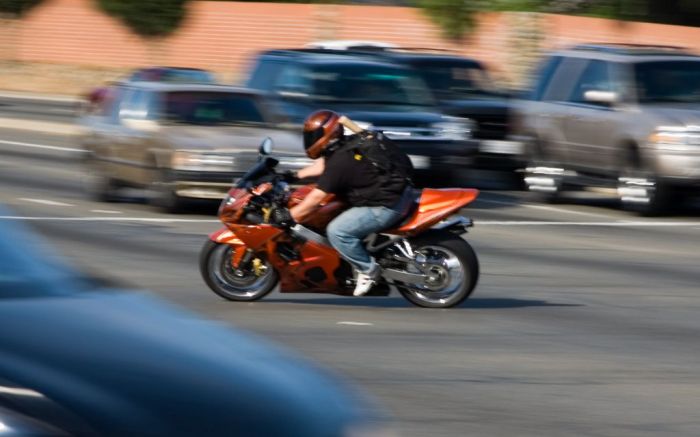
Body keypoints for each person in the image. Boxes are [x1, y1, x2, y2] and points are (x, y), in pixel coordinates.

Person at [273, 110, 412, 296]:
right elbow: (322, 165)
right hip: (393, 193)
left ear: (326, 135)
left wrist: (289, 216)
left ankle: (369, 270)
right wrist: (291, 175)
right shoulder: (344, 146)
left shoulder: (340, 163)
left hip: (384, 206)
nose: (309, 139)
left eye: (313, 136)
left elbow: (315, 200)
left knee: (337, 231)